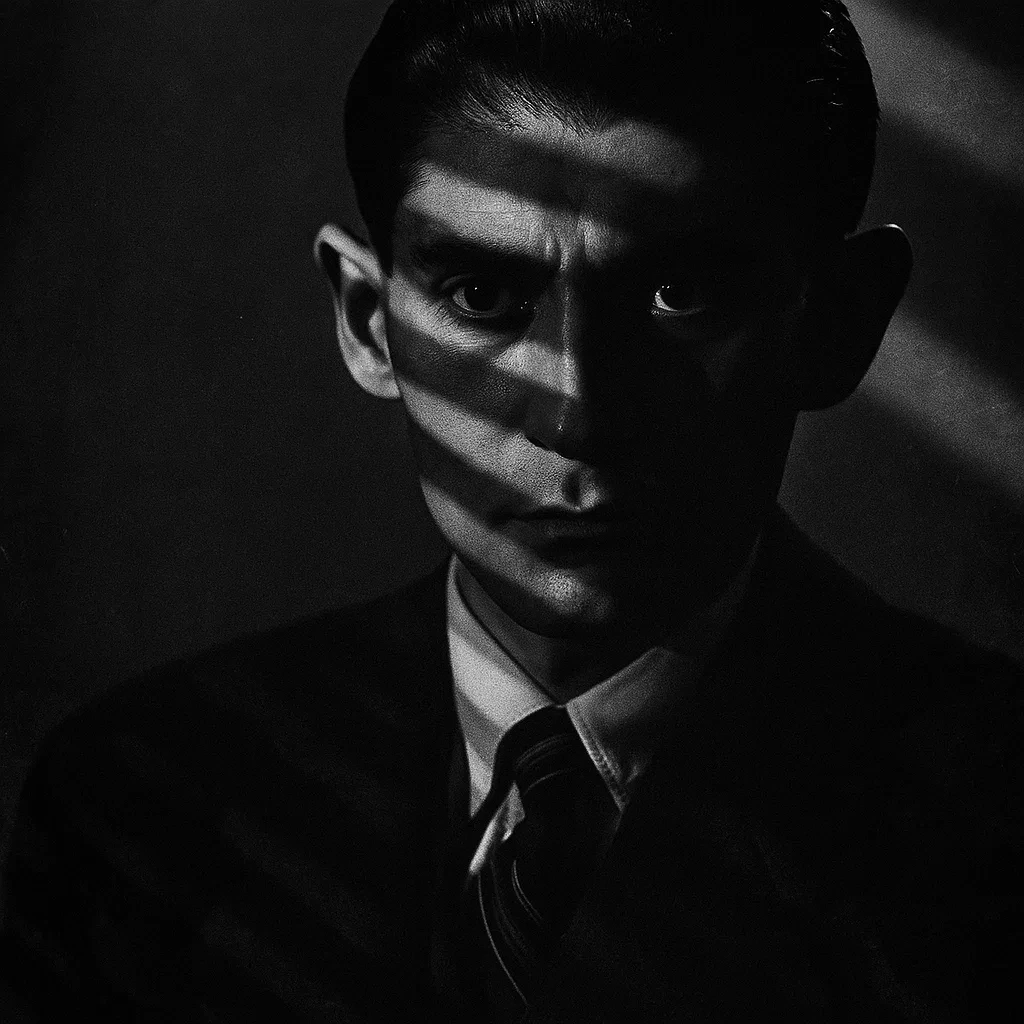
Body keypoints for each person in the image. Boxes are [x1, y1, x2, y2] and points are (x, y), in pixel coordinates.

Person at [1, 1, 1020, 1020]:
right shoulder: (138, 807)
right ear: (367, 319)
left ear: (841, 320)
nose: (575, 412)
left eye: (681, 292)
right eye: (482, 296)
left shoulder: (988, 830)